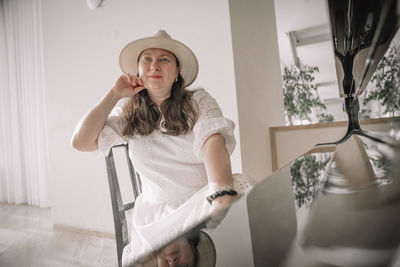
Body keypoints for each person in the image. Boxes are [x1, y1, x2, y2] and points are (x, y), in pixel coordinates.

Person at [71, 30, 252, 266]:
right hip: (154, 215)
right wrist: (114, 94)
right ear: (138, 71)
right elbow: (80, 141)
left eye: (164, 59)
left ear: (177, 72)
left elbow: (212, 143)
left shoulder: (198, 101)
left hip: (201, 201)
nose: (154, 65)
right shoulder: (129, 111)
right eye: (147, 59)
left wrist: (219, 194)